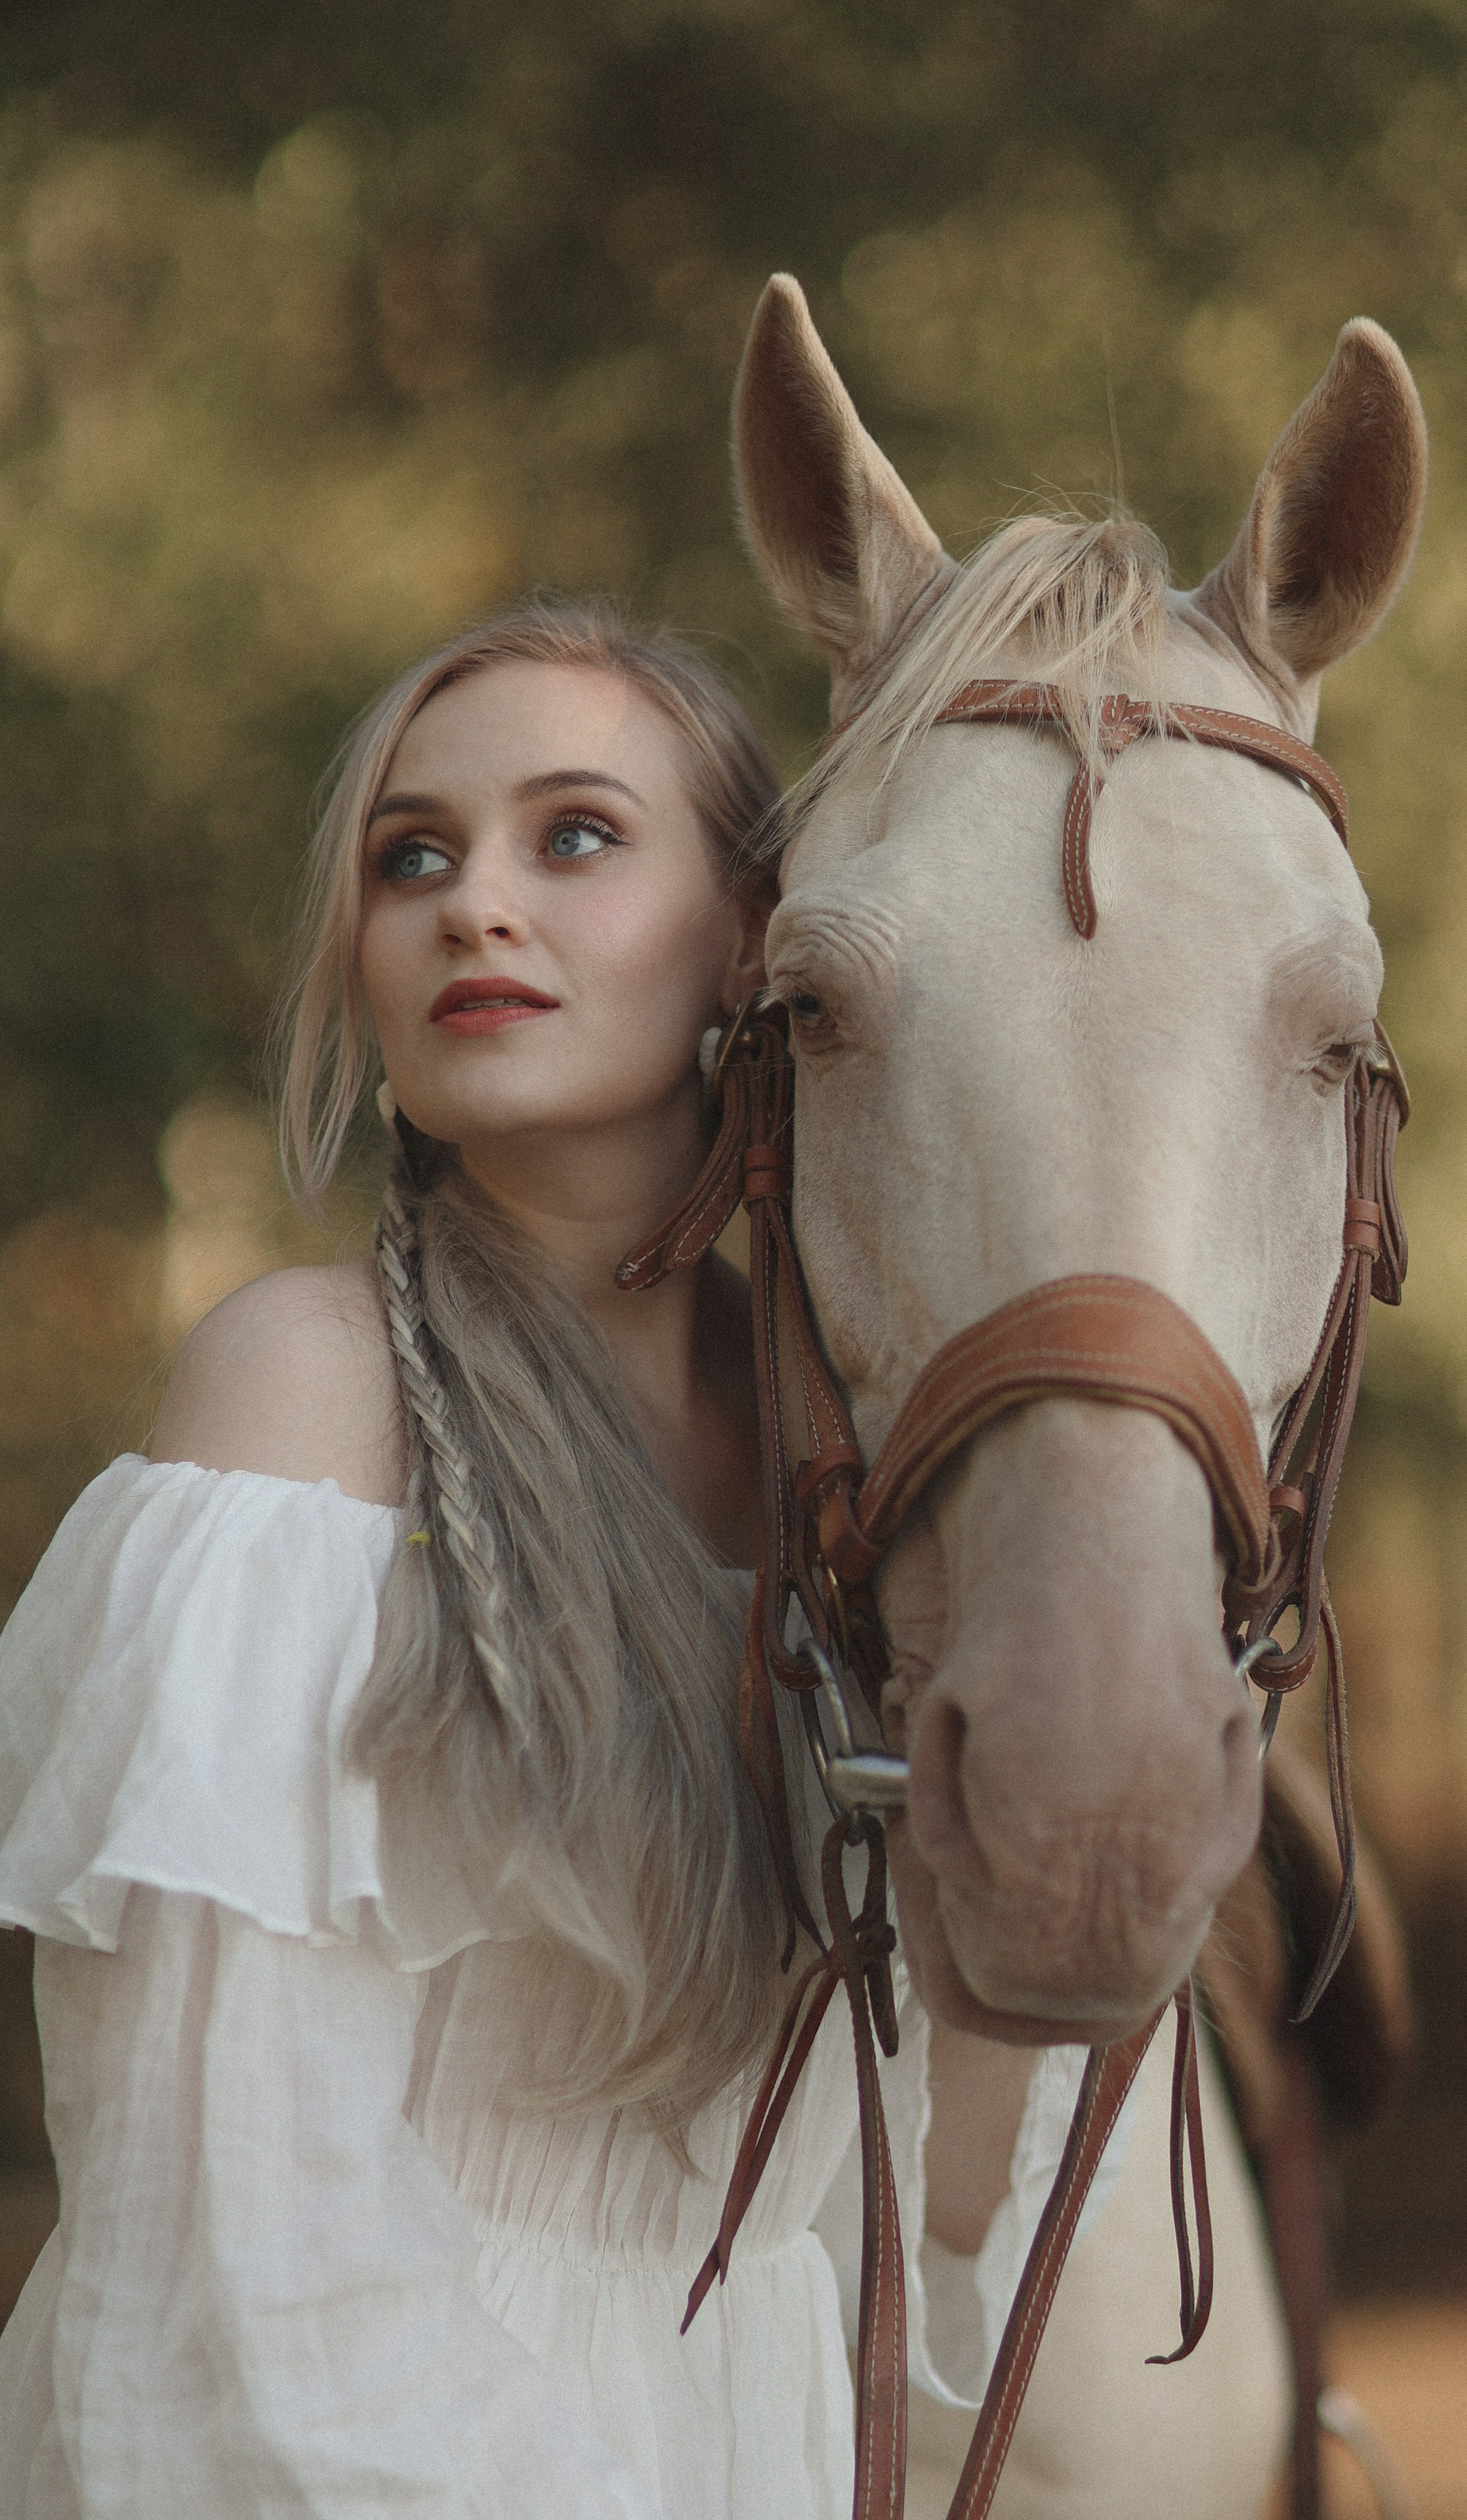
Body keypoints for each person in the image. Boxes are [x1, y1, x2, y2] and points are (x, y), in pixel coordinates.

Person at [0, 600, 1128, 2519]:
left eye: (576, 834)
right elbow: (233, 2235)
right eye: (411, 855)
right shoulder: (311, 1397)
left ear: (754, 940)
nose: (473, 903)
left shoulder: (841, 1473)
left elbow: (910, 2209)